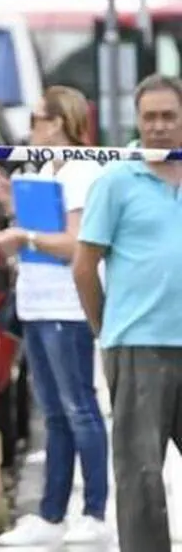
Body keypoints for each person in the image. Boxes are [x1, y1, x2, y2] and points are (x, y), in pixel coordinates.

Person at [0, 86, 110, 546]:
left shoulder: (79, 172)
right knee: (56, 413)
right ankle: (52, 514)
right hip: (37, 302)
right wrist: (10, 205)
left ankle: (94, 509)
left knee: (79, 408)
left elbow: (75, 242)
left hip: (66, 305)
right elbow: (47, 227)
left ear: (58, 122)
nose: (30, 127)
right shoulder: (45, 168)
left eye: (37, 118)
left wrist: (23, 236)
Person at [73, 74, 182, 552]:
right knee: (141, 477)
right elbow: (84, 268)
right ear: (137, 121)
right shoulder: (117, 181)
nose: (159, 127)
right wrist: (107, 330)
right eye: (150, 117)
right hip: (137, 344)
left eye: (169, 116)